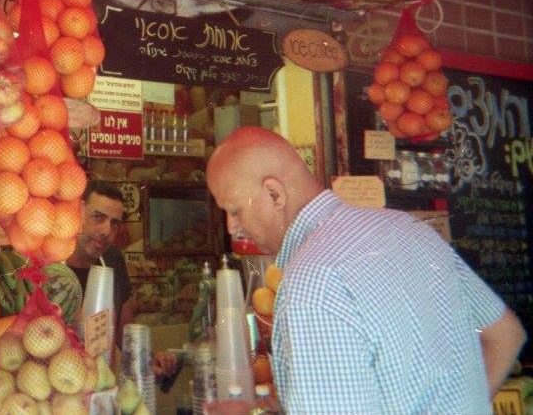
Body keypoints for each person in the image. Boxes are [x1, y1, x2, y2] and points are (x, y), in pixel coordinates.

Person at [205, 126, 526, 414]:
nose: (232, 227)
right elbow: (506, 336)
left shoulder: (312, 282)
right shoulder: (412, 230)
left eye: (234, 211)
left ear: (275, 193)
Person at [67, 184, 178, 379]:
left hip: (101, 386)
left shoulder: (113, 259)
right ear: (78, 212)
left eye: (115, 223)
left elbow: (124, 333)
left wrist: (150, 360)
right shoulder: (48, 264)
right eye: (98, 217)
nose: (106, 230)